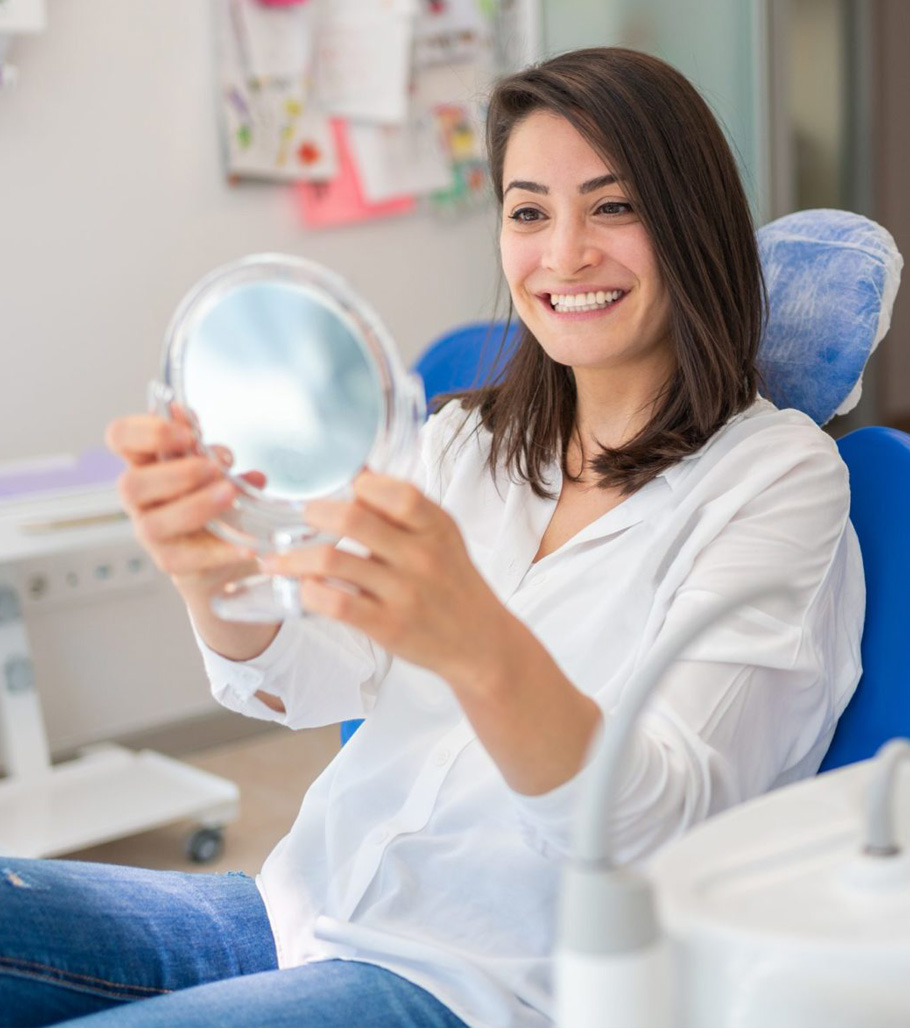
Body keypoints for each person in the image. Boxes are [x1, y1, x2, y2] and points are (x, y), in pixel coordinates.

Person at [0, 47, 863, 1028]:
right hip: (291, 916)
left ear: (690, 220)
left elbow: (658, 825)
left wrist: (477, 643)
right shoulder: (467, 441)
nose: (565, 253)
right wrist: (216, 575)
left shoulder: (775, 481)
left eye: (613, 207)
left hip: (487, 986)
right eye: (529, 210)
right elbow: (321, 675)